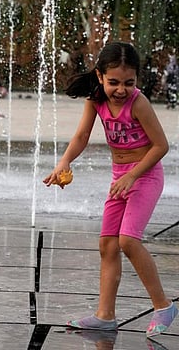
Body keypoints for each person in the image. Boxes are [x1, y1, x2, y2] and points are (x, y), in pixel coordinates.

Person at [43, 42, 178, 337]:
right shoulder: (95, 100)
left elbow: (161, 146)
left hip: (145, 176)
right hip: (121, 178)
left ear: (137, 80)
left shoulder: (138, 103)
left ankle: (163, 304)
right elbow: (81, 136)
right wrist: (63, 162)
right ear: (100, 76)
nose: (121, 89)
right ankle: (105, 315)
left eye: (129, 83)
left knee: (128, 241)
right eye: (113, 82)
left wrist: (133, 176)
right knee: (107, 244)